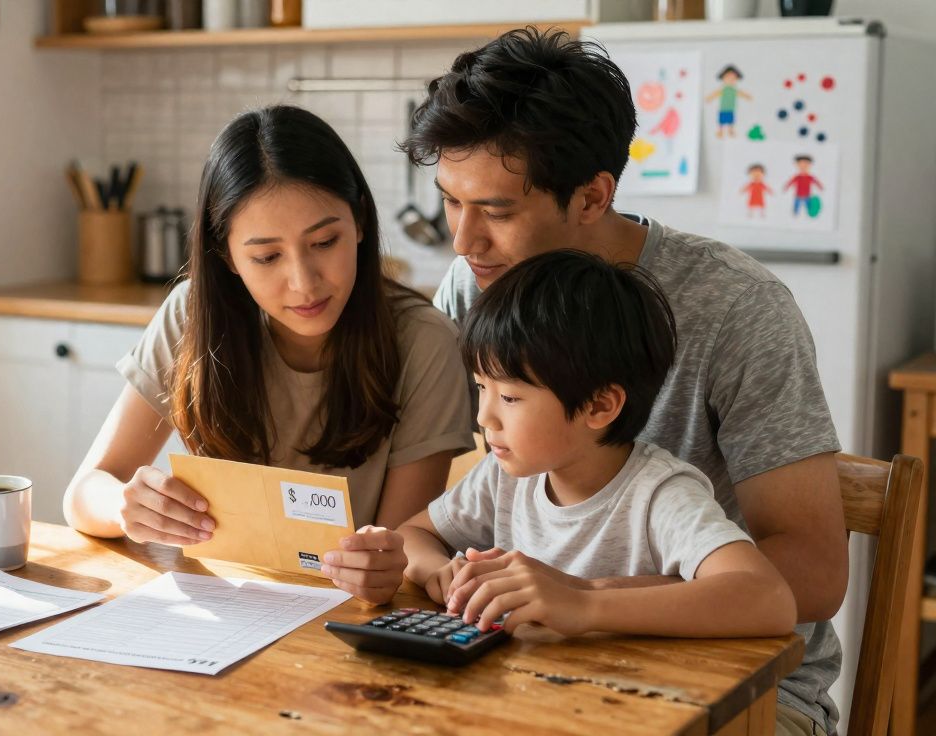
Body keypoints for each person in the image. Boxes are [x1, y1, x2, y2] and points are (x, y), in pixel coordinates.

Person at [401, 27, 845, 735]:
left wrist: (582, 595)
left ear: (592, 196)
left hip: (744, 685)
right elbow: (458, 506)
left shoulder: (734, 308)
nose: (463, 241)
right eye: (451, 201)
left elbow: (816, 579)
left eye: (497, 210)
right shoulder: (475, 284)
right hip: (539, 656)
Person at [63, 105, 475, 605]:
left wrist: (383, 566)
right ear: (226, 255)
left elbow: (400, 548)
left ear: (361, 221)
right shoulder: (191, 316)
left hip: (343, 618)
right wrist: (124, 506)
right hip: (216, 602)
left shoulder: (424, 342)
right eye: (266, 256)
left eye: (325, 241)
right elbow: (83, 494)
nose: (303, 282)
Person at [400, 249, 797, 641]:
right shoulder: (503, 477)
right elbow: (412, 535)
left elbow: (770, 599)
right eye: (481, 387)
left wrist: (584, 603)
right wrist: (439, 570)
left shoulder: (660, 494)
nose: (484, 417)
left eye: (510, 398)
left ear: (599, 405)